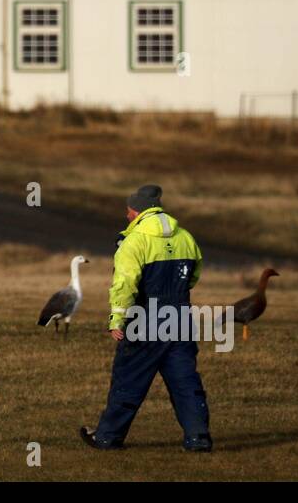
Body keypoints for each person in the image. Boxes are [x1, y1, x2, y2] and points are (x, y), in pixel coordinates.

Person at [80, 184, 213, 452]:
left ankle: (107, 437)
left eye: (129, 211)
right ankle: (198, 438)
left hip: (145, 320)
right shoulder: (185, 236)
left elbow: (124, 284)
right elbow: (194, 275)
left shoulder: (134, 241)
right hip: (180, 320)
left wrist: (117, 320)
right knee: (185, 381)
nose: (127, 216)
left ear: (137, 211)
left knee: (129, 379)